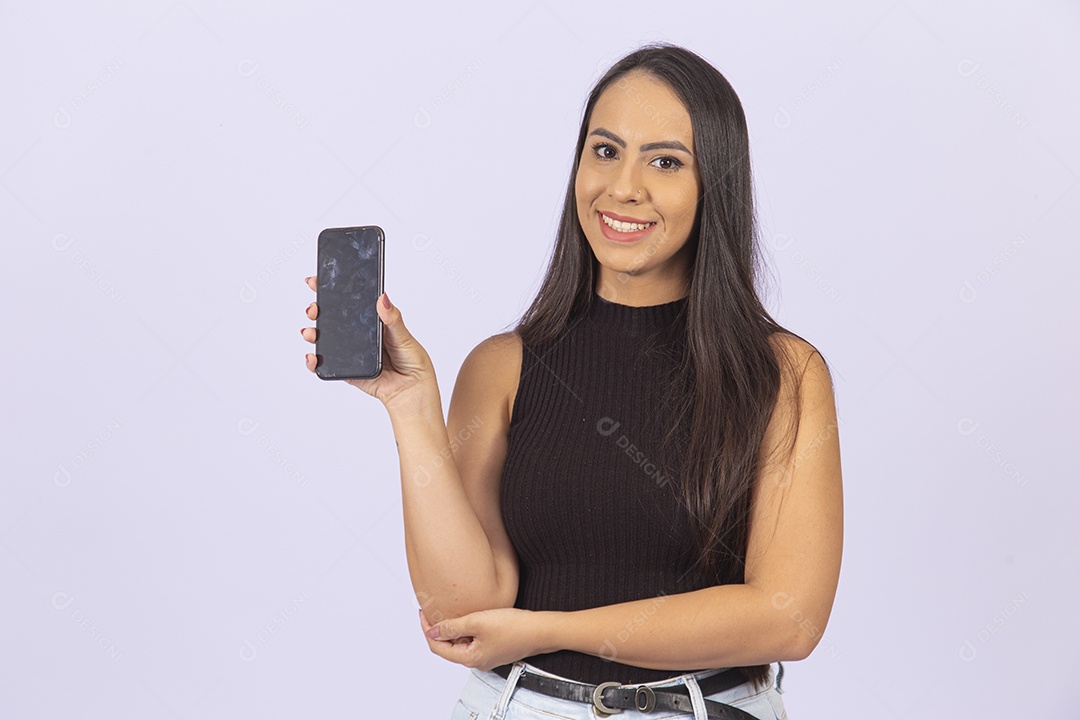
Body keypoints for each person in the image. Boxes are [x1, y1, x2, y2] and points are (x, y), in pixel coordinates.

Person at [300, 43, 842, 720]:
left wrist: (551, 628)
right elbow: (463, 610)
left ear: (716, 186)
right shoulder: (503, 365)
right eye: (605, 150)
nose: (623, 188)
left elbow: (787, 620)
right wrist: (410, 407)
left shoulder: (783, 374)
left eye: (666, 161)